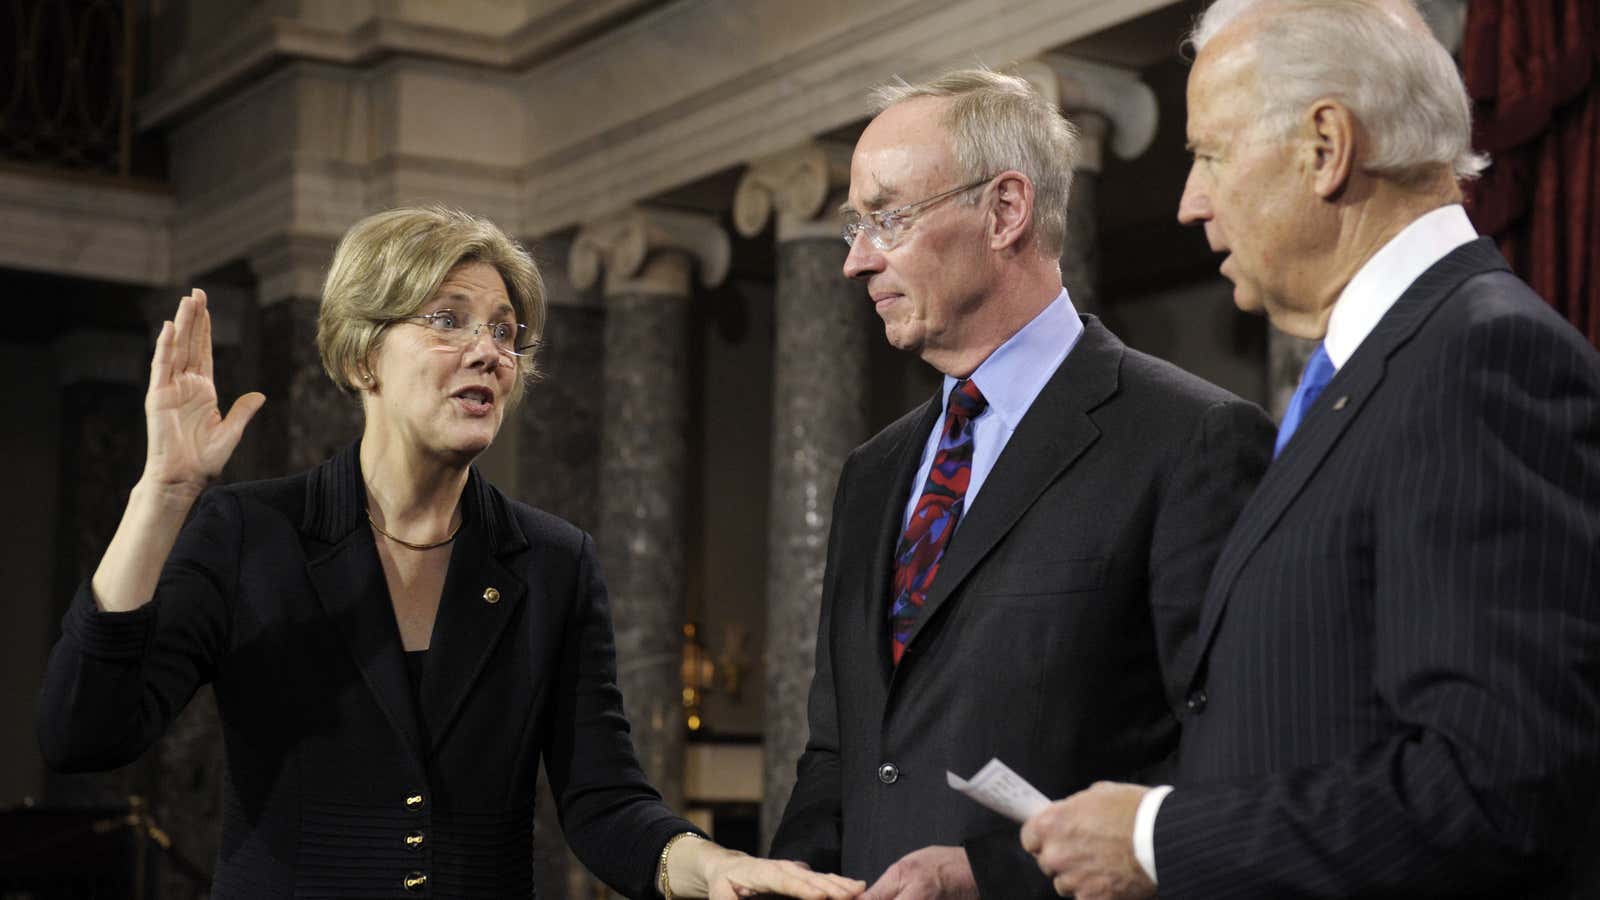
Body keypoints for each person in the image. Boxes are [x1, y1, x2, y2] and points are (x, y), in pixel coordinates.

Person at [36, 206, 867, 900]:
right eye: (447, 320)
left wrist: (709, 863)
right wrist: (165, 494)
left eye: (506, 333)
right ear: (364, 354)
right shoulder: (252, 534)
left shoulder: (551, 561)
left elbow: (605, 799)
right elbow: (85, 732)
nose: (489, 352)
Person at [1019, 2, 1600, 898]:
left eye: (1209, 153)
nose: (1189, 202)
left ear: (1325, 146)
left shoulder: (1480, 358)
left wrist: (1161, 838)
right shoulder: (1377, 367)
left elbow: (1496, 788)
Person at [766, 68, 1275, 900]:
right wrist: (789, 880)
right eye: (855, 227)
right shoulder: (872, 473)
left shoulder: (1193, 441)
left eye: (887, 217)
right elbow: (842, 751)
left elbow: (1235, 759)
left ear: (1005, 211)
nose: (858, 260)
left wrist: (998, 877)